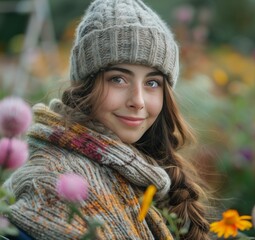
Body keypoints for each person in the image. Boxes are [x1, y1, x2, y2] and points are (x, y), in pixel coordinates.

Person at [3, 0, 211, 239]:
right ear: (86, 87)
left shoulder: (151, 173)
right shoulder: (51, 188)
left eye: (152, 83)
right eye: (118, 79)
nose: (139, 101)